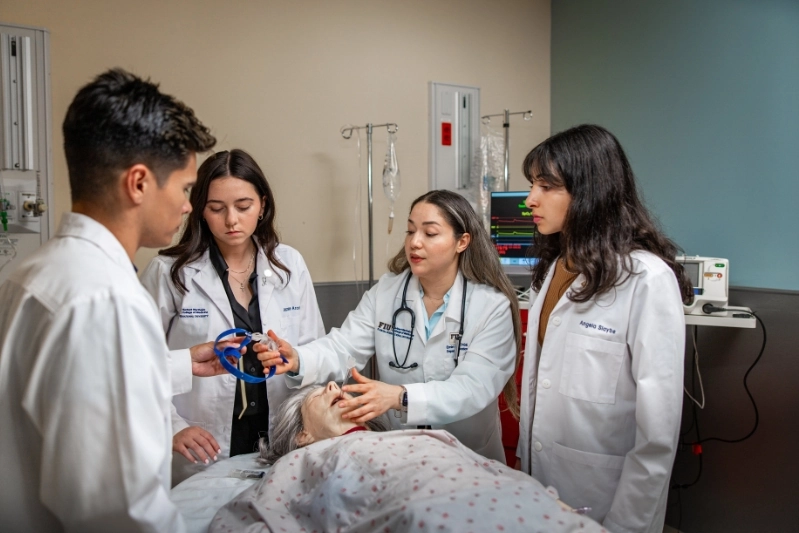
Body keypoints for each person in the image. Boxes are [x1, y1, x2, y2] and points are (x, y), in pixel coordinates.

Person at [0, 69, 222, 532]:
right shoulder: (107, 301)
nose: (188, 206)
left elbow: (57, 385)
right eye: (184, 188)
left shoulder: (30, 273)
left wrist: (182, 364)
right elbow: (122, 513)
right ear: (138, 183)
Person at [516, 124, 693, 533]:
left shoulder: (645, 279)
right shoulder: (554, 270)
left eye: (547, 186)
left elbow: (658, 434)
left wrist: (627, 524)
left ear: (590, 192)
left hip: (606, 499)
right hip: (540, 487)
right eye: (532, 185)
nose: (530, 200)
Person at [258, 189, 521, 463]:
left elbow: (473, 387)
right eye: (410, 231)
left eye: (430, 234)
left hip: (467, 457)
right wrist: (299, 358)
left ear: (462, 242)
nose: (415, 243)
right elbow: (343, 346)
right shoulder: (386, 293)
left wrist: (400, 397)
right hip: (395, 455)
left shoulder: (491, 307)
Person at [140, 148, 325, 483]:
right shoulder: (169, 272)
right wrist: (173, 427)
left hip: (280, 433)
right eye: (216, 208)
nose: (231, 220)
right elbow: (138, 363)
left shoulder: (289, 265)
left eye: (243, 206)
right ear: (200, 210)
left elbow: (315, 351)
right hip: (202, 438)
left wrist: (294, 361)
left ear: (262, 206)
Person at [210, 383, 606, 533]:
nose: (337, 386)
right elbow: (251, 520)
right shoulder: (304, 461)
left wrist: (549, 502)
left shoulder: (425, 437)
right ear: (302, 434)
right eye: (320, 392)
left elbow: (493, 472)